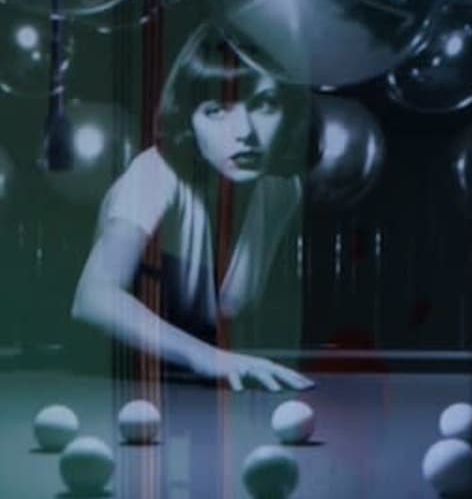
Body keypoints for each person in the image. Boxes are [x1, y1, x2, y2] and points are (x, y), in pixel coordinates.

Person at [72, 23, 315, 392]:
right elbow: (92, 298)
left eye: (264, 104)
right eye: (217, 109)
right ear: (189, 119)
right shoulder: (153, 174)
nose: (245, 132)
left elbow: (230, 319)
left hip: (202, 389)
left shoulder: (283, 190)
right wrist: (208, 357)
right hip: (115, 386)